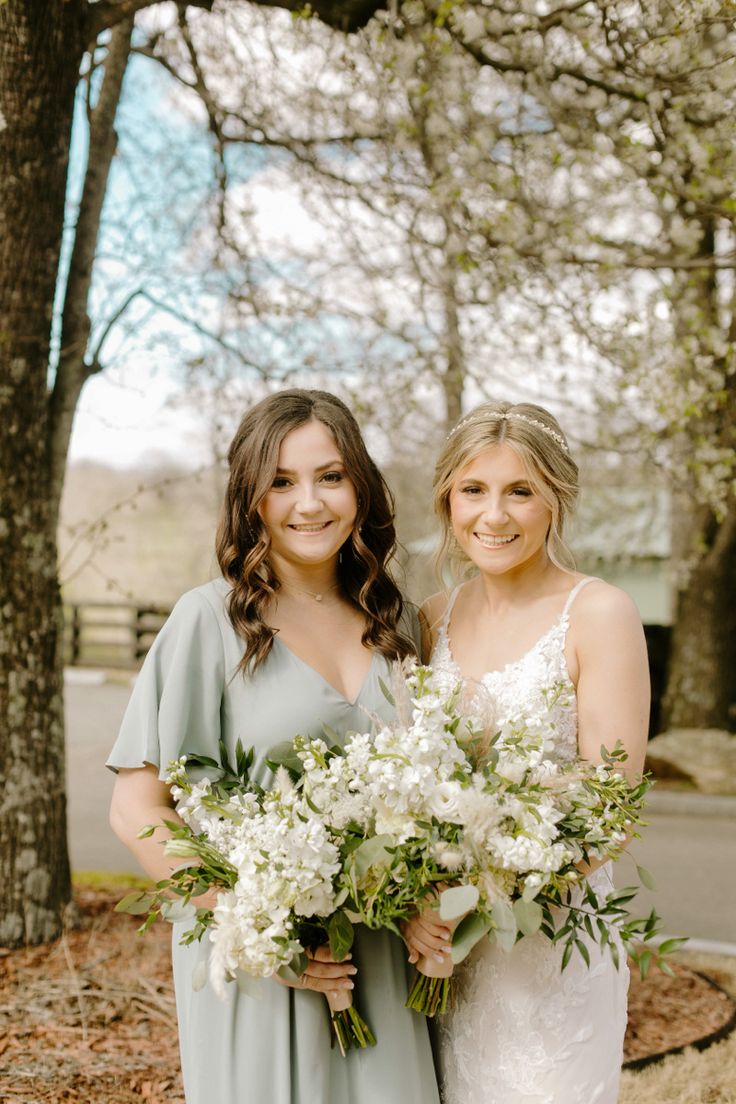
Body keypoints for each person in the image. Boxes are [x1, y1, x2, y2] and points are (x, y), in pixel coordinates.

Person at [107, 389, 441, 1104]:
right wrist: (258, 930)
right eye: (281, 481)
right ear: (249, 497)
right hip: (262, 967)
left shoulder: (399, 619)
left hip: (379, 959)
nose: (309, 503)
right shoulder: (208, 620)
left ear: (360, 484)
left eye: (330, 476)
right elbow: (136, 808)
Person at [404, 400, 650, 1104]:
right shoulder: (431, 617)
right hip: (443, 954)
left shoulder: (599, 613)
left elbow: (611, 804)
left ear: (555, 500)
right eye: (473, 491)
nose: (494, 515)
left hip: (550, 949)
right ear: (448, 499)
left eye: (521, 491)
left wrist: (479, 898)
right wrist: (421, 902)